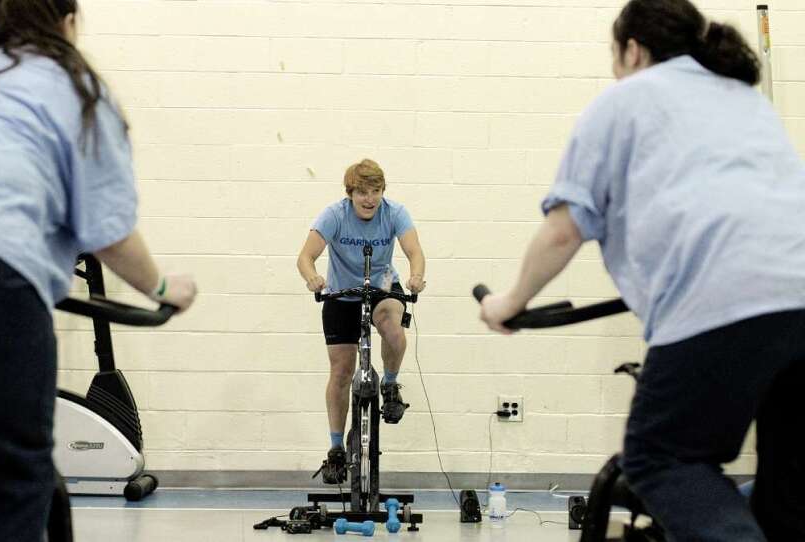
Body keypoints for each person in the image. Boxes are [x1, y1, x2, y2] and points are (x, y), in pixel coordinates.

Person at [479, 0, 805, 540]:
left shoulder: (625, 100)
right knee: (786, 494)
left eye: (615, 57)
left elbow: (564, 230)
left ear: (633, 49)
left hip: (720, 304)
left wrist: (508, 303)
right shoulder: (745, 101)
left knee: (659, 456)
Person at [0, 1, 197, 541]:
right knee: (10, 484)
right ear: (68, 21)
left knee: (12, 472)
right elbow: (109, 232)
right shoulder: (74, 86)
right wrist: (164, 288)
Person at [297, 159, 426, 484]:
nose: (370, 199)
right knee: (341, 372)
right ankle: (337, 449)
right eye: (362, 193)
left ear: (383, 192)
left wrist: (416, 276)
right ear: (350, 193)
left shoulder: (394, 213)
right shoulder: (334, 215)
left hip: (382, 288)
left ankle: (390, 385)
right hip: (342, 293)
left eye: (376, 192)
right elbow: (305, 257)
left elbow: (414, 251)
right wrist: (313, 278)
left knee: (392, 328)